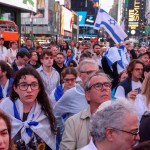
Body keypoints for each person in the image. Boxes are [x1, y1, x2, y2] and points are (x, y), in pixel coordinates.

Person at [0, 67, 56, 149]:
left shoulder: (46, 109)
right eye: (23, 85)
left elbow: (51, 140)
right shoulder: (5, 108)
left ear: (39, 88)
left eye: (34, 85)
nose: (29, 90)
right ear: (15, 88)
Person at [60, 71, 112, 150]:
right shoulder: (73, 123)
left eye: (107, 85)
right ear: (87, 95)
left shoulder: (122, 118)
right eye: (98, 86)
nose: (104, 88)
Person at [54, 59, 99, 145]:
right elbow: (56, 113)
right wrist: (65, 132)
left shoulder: (102, 92)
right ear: (79, 74)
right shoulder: (71, 94)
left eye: (96, 72)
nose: (93, 76)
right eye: (89, 72)